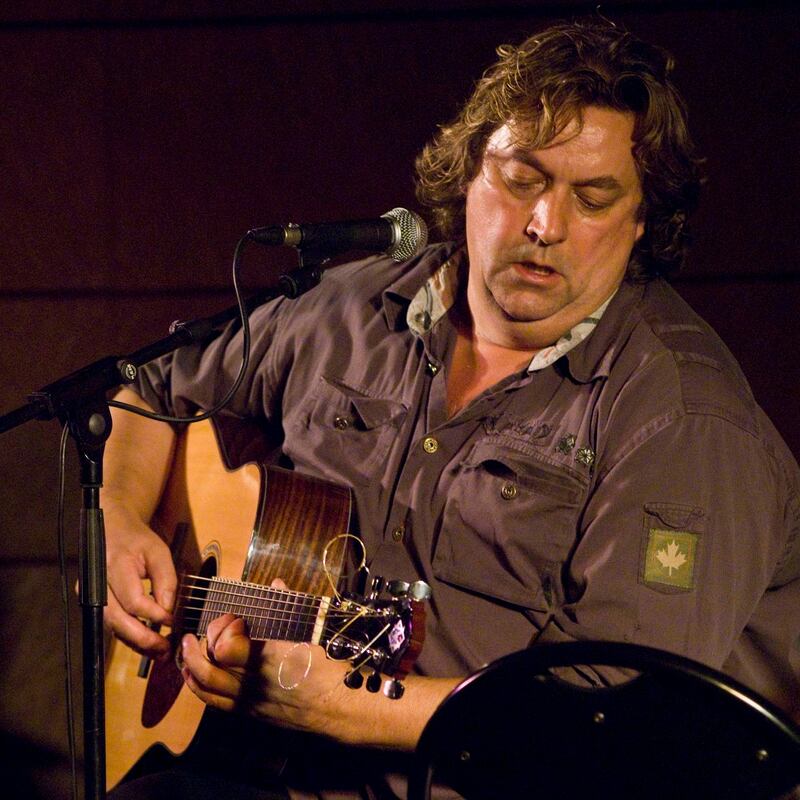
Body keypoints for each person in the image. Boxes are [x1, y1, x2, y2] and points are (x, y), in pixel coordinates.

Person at [104, 18, 800, 799]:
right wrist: (125, 521)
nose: (545, 225)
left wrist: (337, 707)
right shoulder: (347, 307)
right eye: (522, 179)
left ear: (642, 222)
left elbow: (615, 719)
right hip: (274, 767)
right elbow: (151, 388)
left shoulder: (683, 423)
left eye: (594, 198)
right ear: (468, 172)